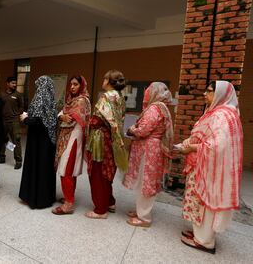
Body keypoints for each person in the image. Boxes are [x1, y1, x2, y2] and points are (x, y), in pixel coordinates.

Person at [179, 81, 243, 254]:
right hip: (202, 165)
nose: (204, 94)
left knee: (205, 204)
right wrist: (190, 143)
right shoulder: (214, 112)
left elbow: (217, 146)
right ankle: (198, 234)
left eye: (209, 91)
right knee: (198, 201)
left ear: (220, 93)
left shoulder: (223, 115)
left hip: (211, 169)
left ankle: (205, 241)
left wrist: (192, 148)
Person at [122, 82, 173, 227]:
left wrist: (132, 129)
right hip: (151, 149)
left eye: (148, 91)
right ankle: (141, 211)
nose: (146, 94)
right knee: (142, 181)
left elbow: (143, 130)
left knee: (146, 182)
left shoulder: (154, 108)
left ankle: (144, 218)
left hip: (149, 150)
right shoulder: (160, 107)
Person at [85, 70, 128, 219]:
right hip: (112, 138)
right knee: (107, 172)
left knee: (98, 173)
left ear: (109, 81)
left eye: (105, 78)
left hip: (100, 139)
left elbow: (96, 120)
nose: (103, 81)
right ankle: (109, 201)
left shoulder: (106, 97)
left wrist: (88, 122)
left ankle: (100, 209)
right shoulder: (120, 97)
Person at [52, 75, 91, 215]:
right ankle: (69, 198)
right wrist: (61, 115)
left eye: (76, 84)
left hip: (73, 137)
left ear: (81, 86)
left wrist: (62, 116)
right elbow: (62, 114)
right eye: (71, 84)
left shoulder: (81, 101)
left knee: (66, 170)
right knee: (70, 169)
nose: (72, 87)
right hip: (68, 137)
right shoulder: (71, 100)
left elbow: (69, 120)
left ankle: (68, 205)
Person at [19, 75, 57, 209]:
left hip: (37, 141)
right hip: (49, 141)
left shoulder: (39, 100)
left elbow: (37, 121)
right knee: (45, 168)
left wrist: (24, 119)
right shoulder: (52, 100)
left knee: (36, 166)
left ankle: (34, 197)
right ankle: (46, 197)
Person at [0, 76, 24, 169]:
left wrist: (17, 113)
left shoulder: (18, 95)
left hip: (14, 121)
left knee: (16, 140)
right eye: (13, 83)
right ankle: (1, 157)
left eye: (15, 83)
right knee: (2, 140)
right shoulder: (2, 95)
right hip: (3, 120)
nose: (15, 85)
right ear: (7, 83)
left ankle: (18, 160)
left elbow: (22, 107)